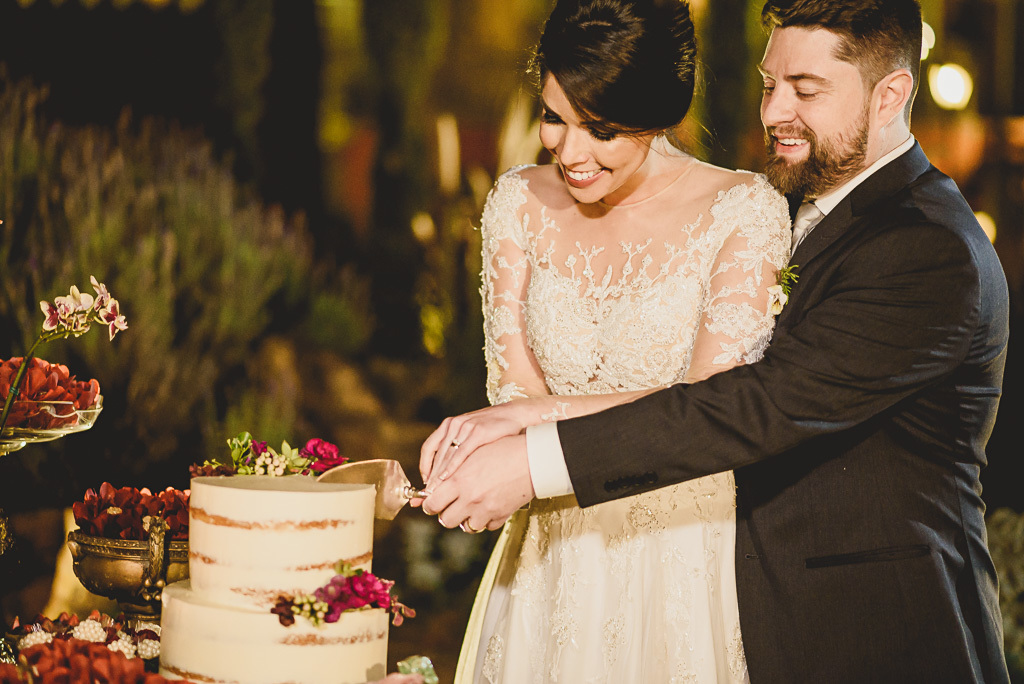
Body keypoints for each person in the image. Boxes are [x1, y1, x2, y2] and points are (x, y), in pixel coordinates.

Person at [420, 0, 1012, 682]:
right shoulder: (789, 204)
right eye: (769, 84)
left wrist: (533, 450)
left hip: (867, 632)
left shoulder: (929, 248)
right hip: (732, 598)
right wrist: (521, 416)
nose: (774, 112)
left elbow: (752, 405)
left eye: (806, 91)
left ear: (891, 95)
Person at [416, 1, 790, 681]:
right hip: (550, 560)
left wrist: (532, 421)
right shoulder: (517, 204)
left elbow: (710, 410)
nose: (570, 152)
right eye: (555, 117)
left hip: (679, 560)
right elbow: (511, 396)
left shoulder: (742, 212)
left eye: (604, 130)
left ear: (661, 113)